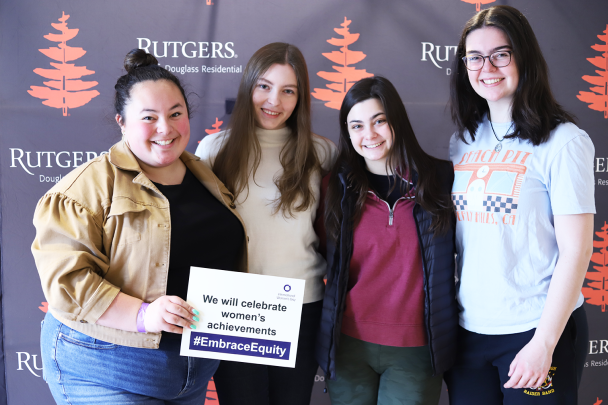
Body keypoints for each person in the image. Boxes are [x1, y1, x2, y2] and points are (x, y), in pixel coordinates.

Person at [32, 49, 247, 405]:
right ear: (122, 121)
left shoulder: (206, 176)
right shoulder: (85, 189)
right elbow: (67, 283)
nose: (166, 128)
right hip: (106, 367)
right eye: (149, 117)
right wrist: (143, 314)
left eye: (176, 114)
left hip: (191, 373)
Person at [444, 5, 595, 404]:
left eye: (501, 54)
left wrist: (543, 343)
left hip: (536, 329)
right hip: (470, 334)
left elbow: (577, 250)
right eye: (475, 57)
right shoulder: (464, 141)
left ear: (523, 57)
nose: (487, 67)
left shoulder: (563, 142)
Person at [195, 42, 336, 405]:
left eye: (288, 90)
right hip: (237, 308)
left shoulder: (323, 153)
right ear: (248, 87)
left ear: (300, 98)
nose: (275, 100)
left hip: (301, 306)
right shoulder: (214, 149)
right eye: (264, 86)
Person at [315, 76, 458, 405]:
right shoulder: (333, 189)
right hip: (349, 345)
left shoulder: (441, 181)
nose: (369, 135)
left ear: (396, 120)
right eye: (357, 126)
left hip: (417, 349)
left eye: (379, 121)